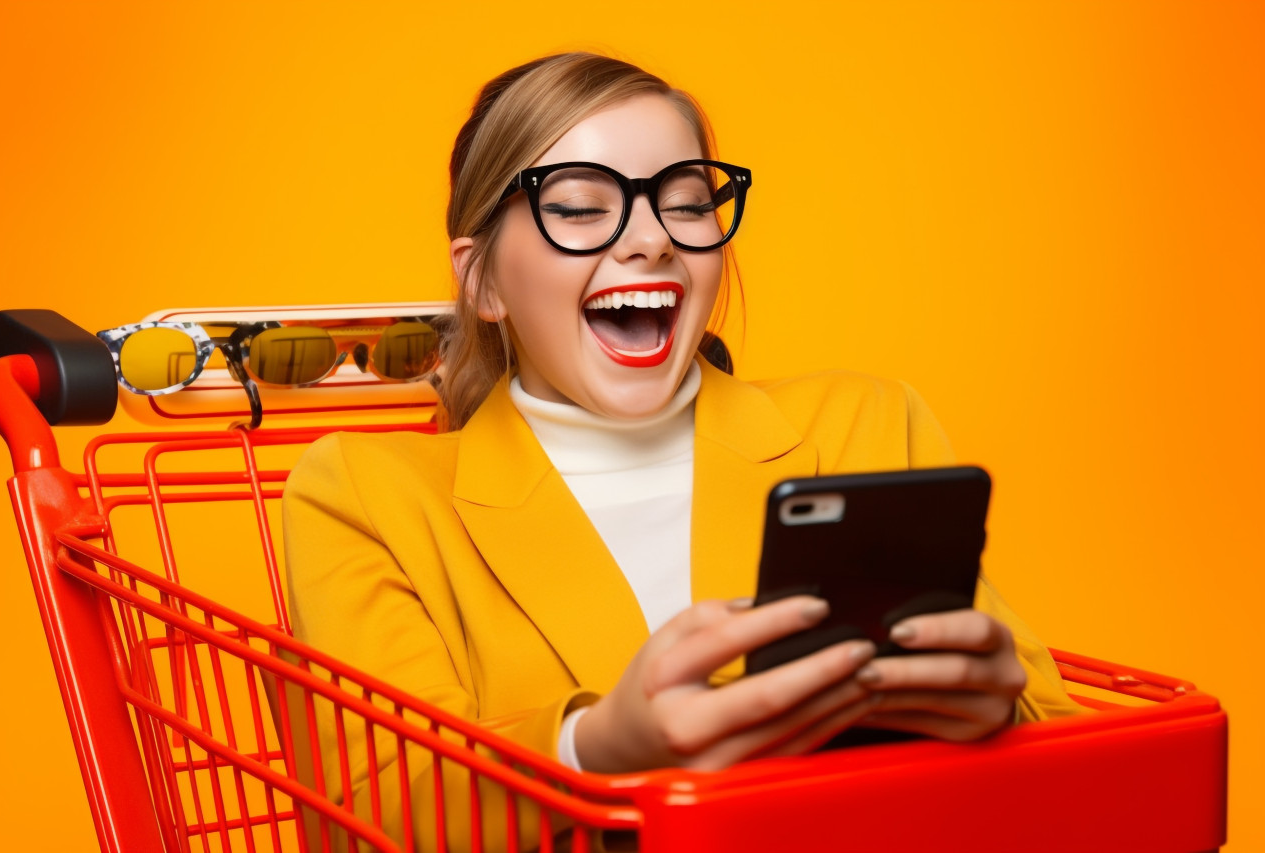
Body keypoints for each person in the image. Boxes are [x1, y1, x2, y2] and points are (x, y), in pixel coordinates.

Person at [283, 51, 1083, 851]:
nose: (650, 238)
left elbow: (1059, 729)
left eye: (687, 202)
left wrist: (994, 711)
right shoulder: (362, 491)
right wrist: (593, 748)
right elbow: (373, 808)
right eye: (579, 207)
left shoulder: (863, 425)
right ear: (484, 282)